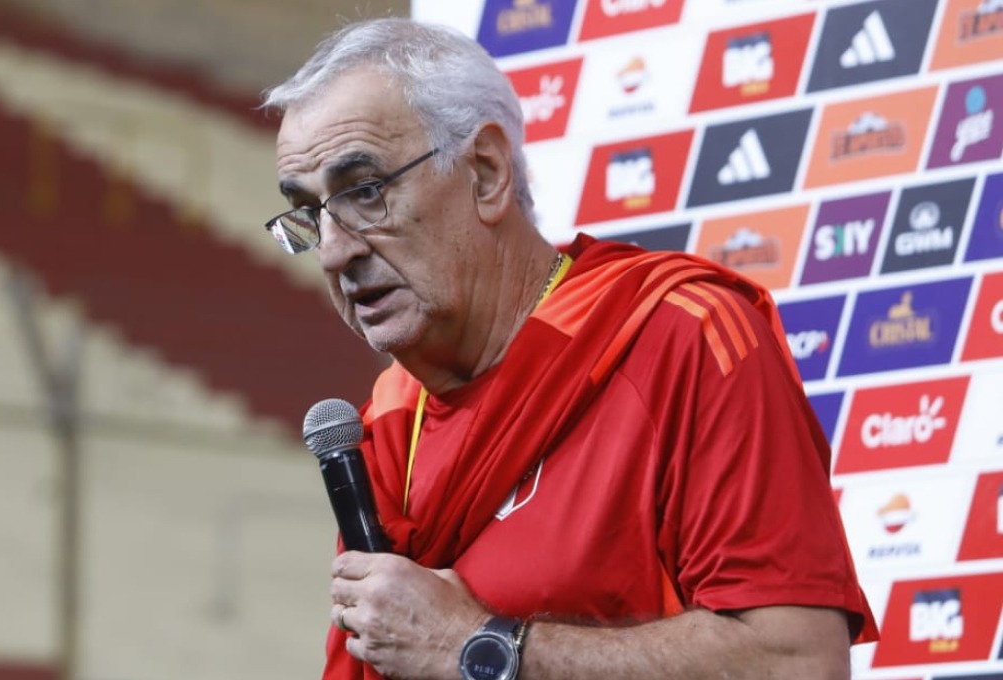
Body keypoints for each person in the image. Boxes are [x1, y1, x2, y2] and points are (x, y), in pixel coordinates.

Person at [261, 17, 877, 680]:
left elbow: (799, 663)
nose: (333, 250)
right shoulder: (388, 422)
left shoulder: (677, 337)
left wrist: (479, 647)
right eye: (309, 211)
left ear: (488, 173)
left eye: (364, 191)